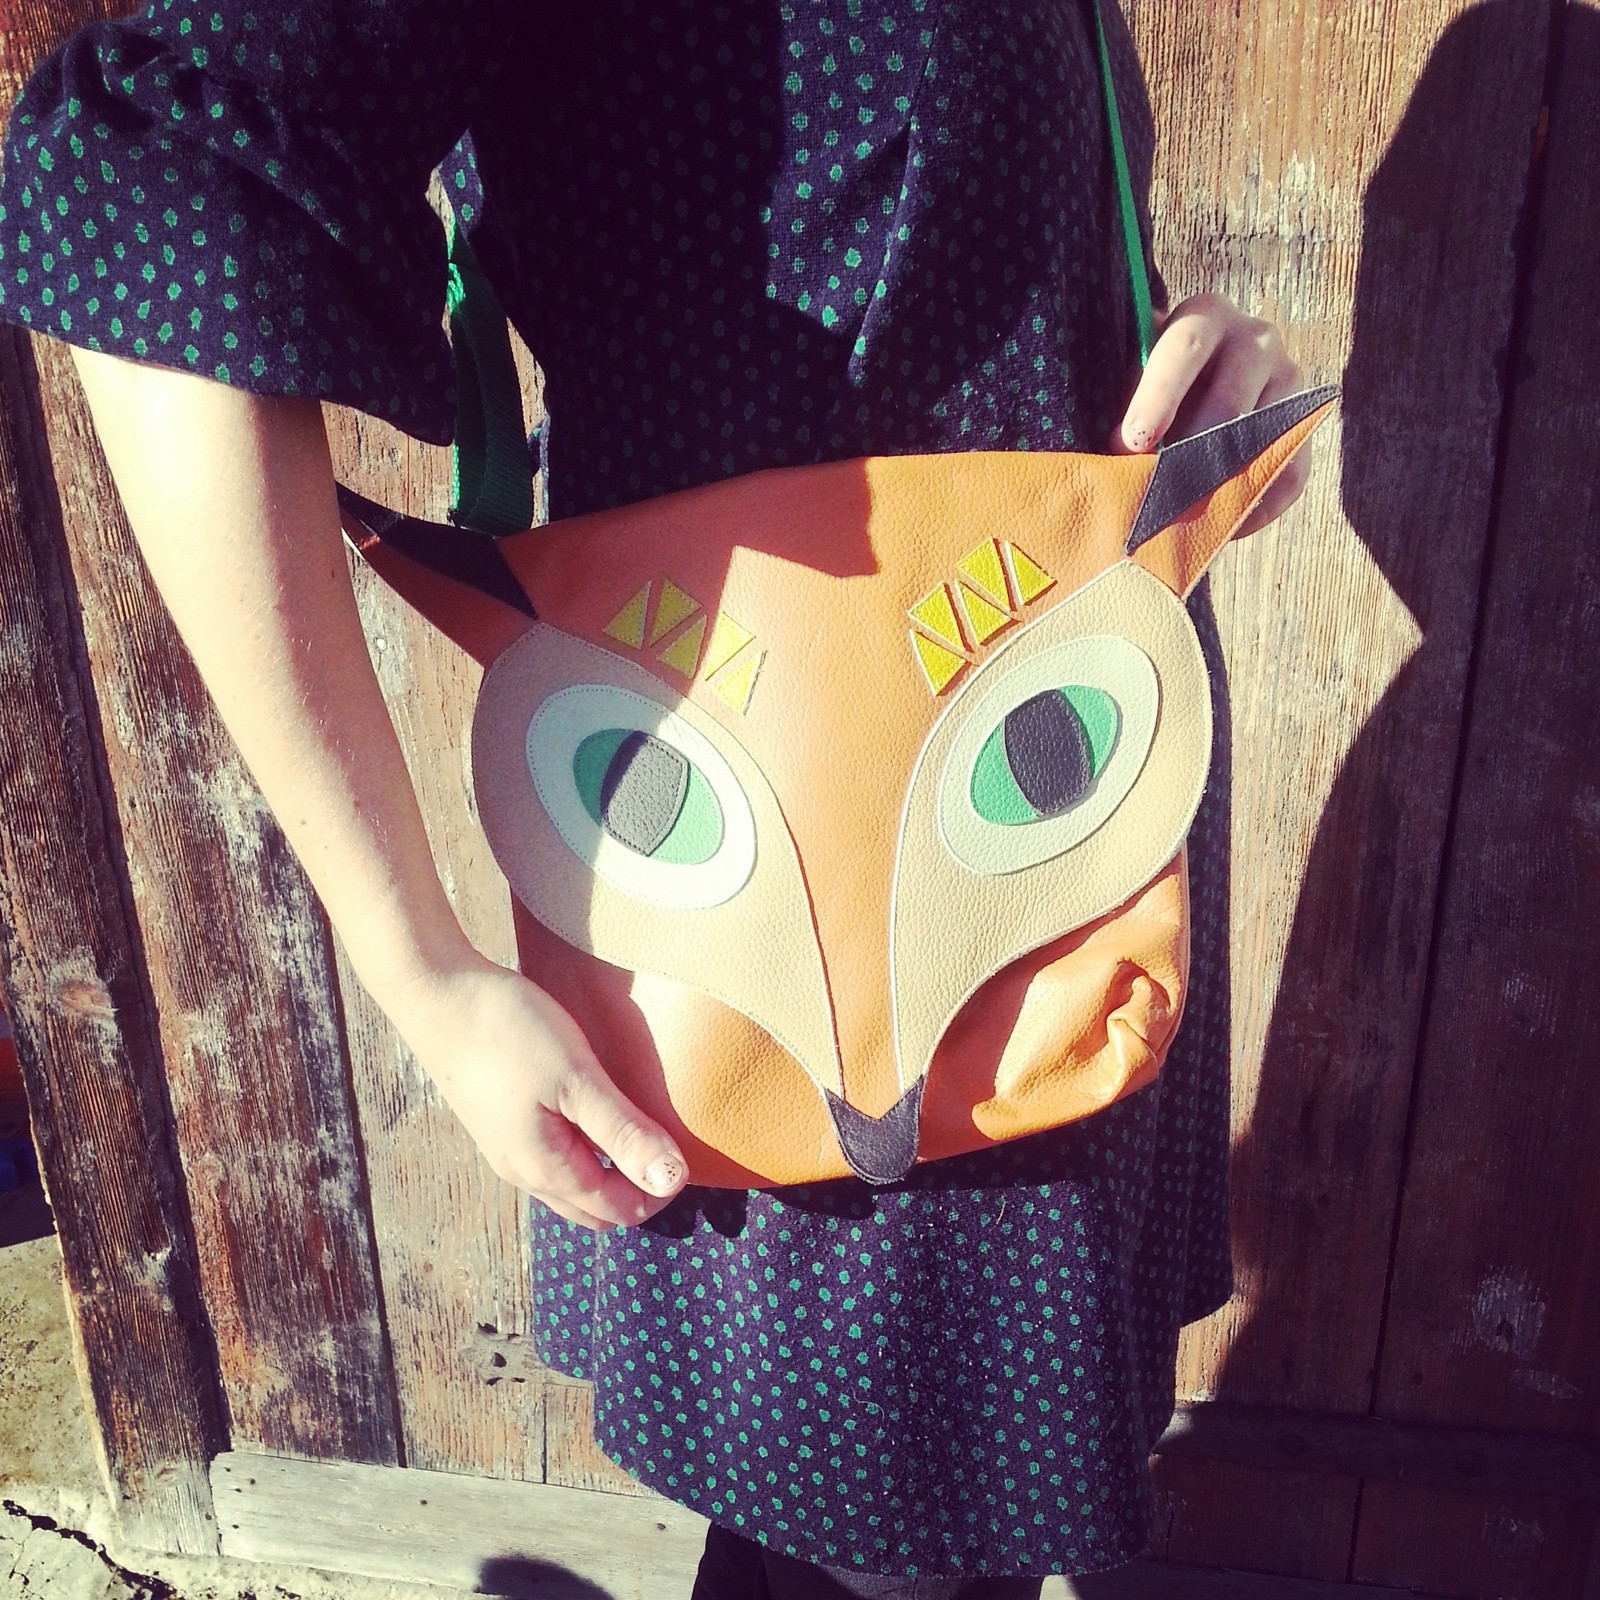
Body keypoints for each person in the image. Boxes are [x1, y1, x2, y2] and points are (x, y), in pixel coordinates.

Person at [0, 2, 1309, 1594]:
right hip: (797, 910)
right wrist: (419, 972)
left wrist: (1177, 352)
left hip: (1061, 831)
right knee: (883, 1556)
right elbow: (143, 188)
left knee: (905, 1551)